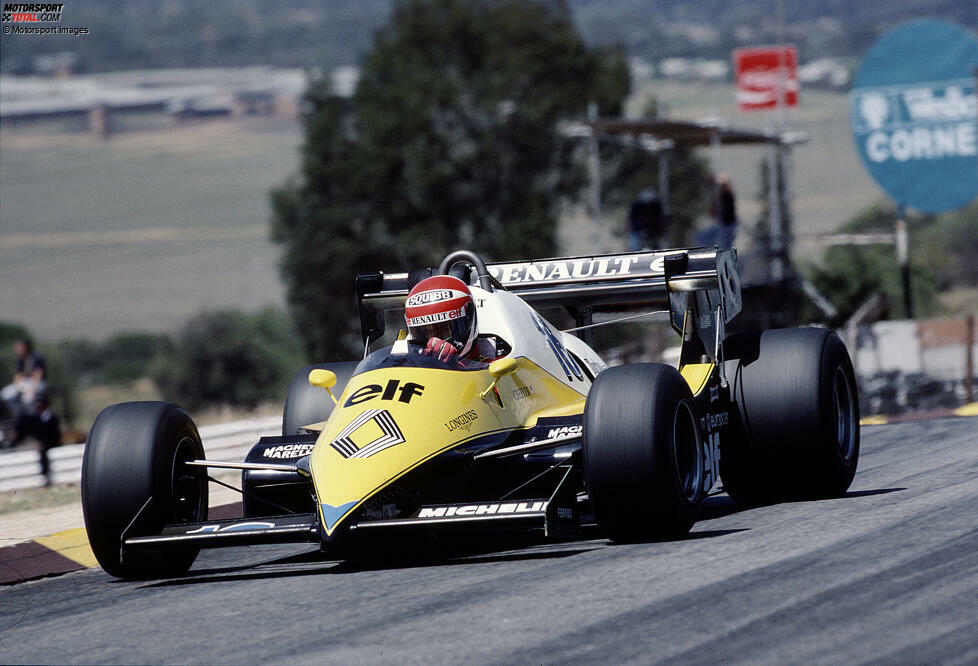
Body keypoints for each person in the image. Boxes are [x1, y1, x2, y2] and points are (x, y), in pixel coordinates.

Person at [404, 275, 498, 363]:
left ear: (468, 322)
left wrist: (455, 366)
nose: (436, 342)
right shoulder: (406, 367)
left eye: (445, 329)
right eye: (428, 332)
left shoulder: (493, 368)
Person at [1, 339, 48, 446]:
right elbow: (19, 375)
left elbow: (38, 375)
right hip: (25, 383)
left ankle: (29, 417)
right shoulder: (20, 359)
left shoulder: (36, 357)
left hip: (37, 383)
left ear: (26, 347)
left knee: (28, 398)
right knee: (6, 394)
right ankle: (19, 414)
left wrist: (31, 389)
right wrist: (17, 386)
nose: (17, 350)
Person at [698, 173, 738, 249]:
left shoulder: (725, 193)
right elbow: (713, 211)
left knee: (726, 245)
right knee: (705, 238)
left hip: (727, 224)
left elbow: (717, 209)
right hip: (723, 223)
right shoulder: (719, 194)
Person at [627, 187, 664, 251]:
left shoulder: (656, 207)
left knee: (659, 246)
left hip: (654, 233)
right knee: (635, 247)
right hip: (637, 232)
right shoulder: (636, 207)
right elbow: (631, 222)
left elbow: (661, 221)